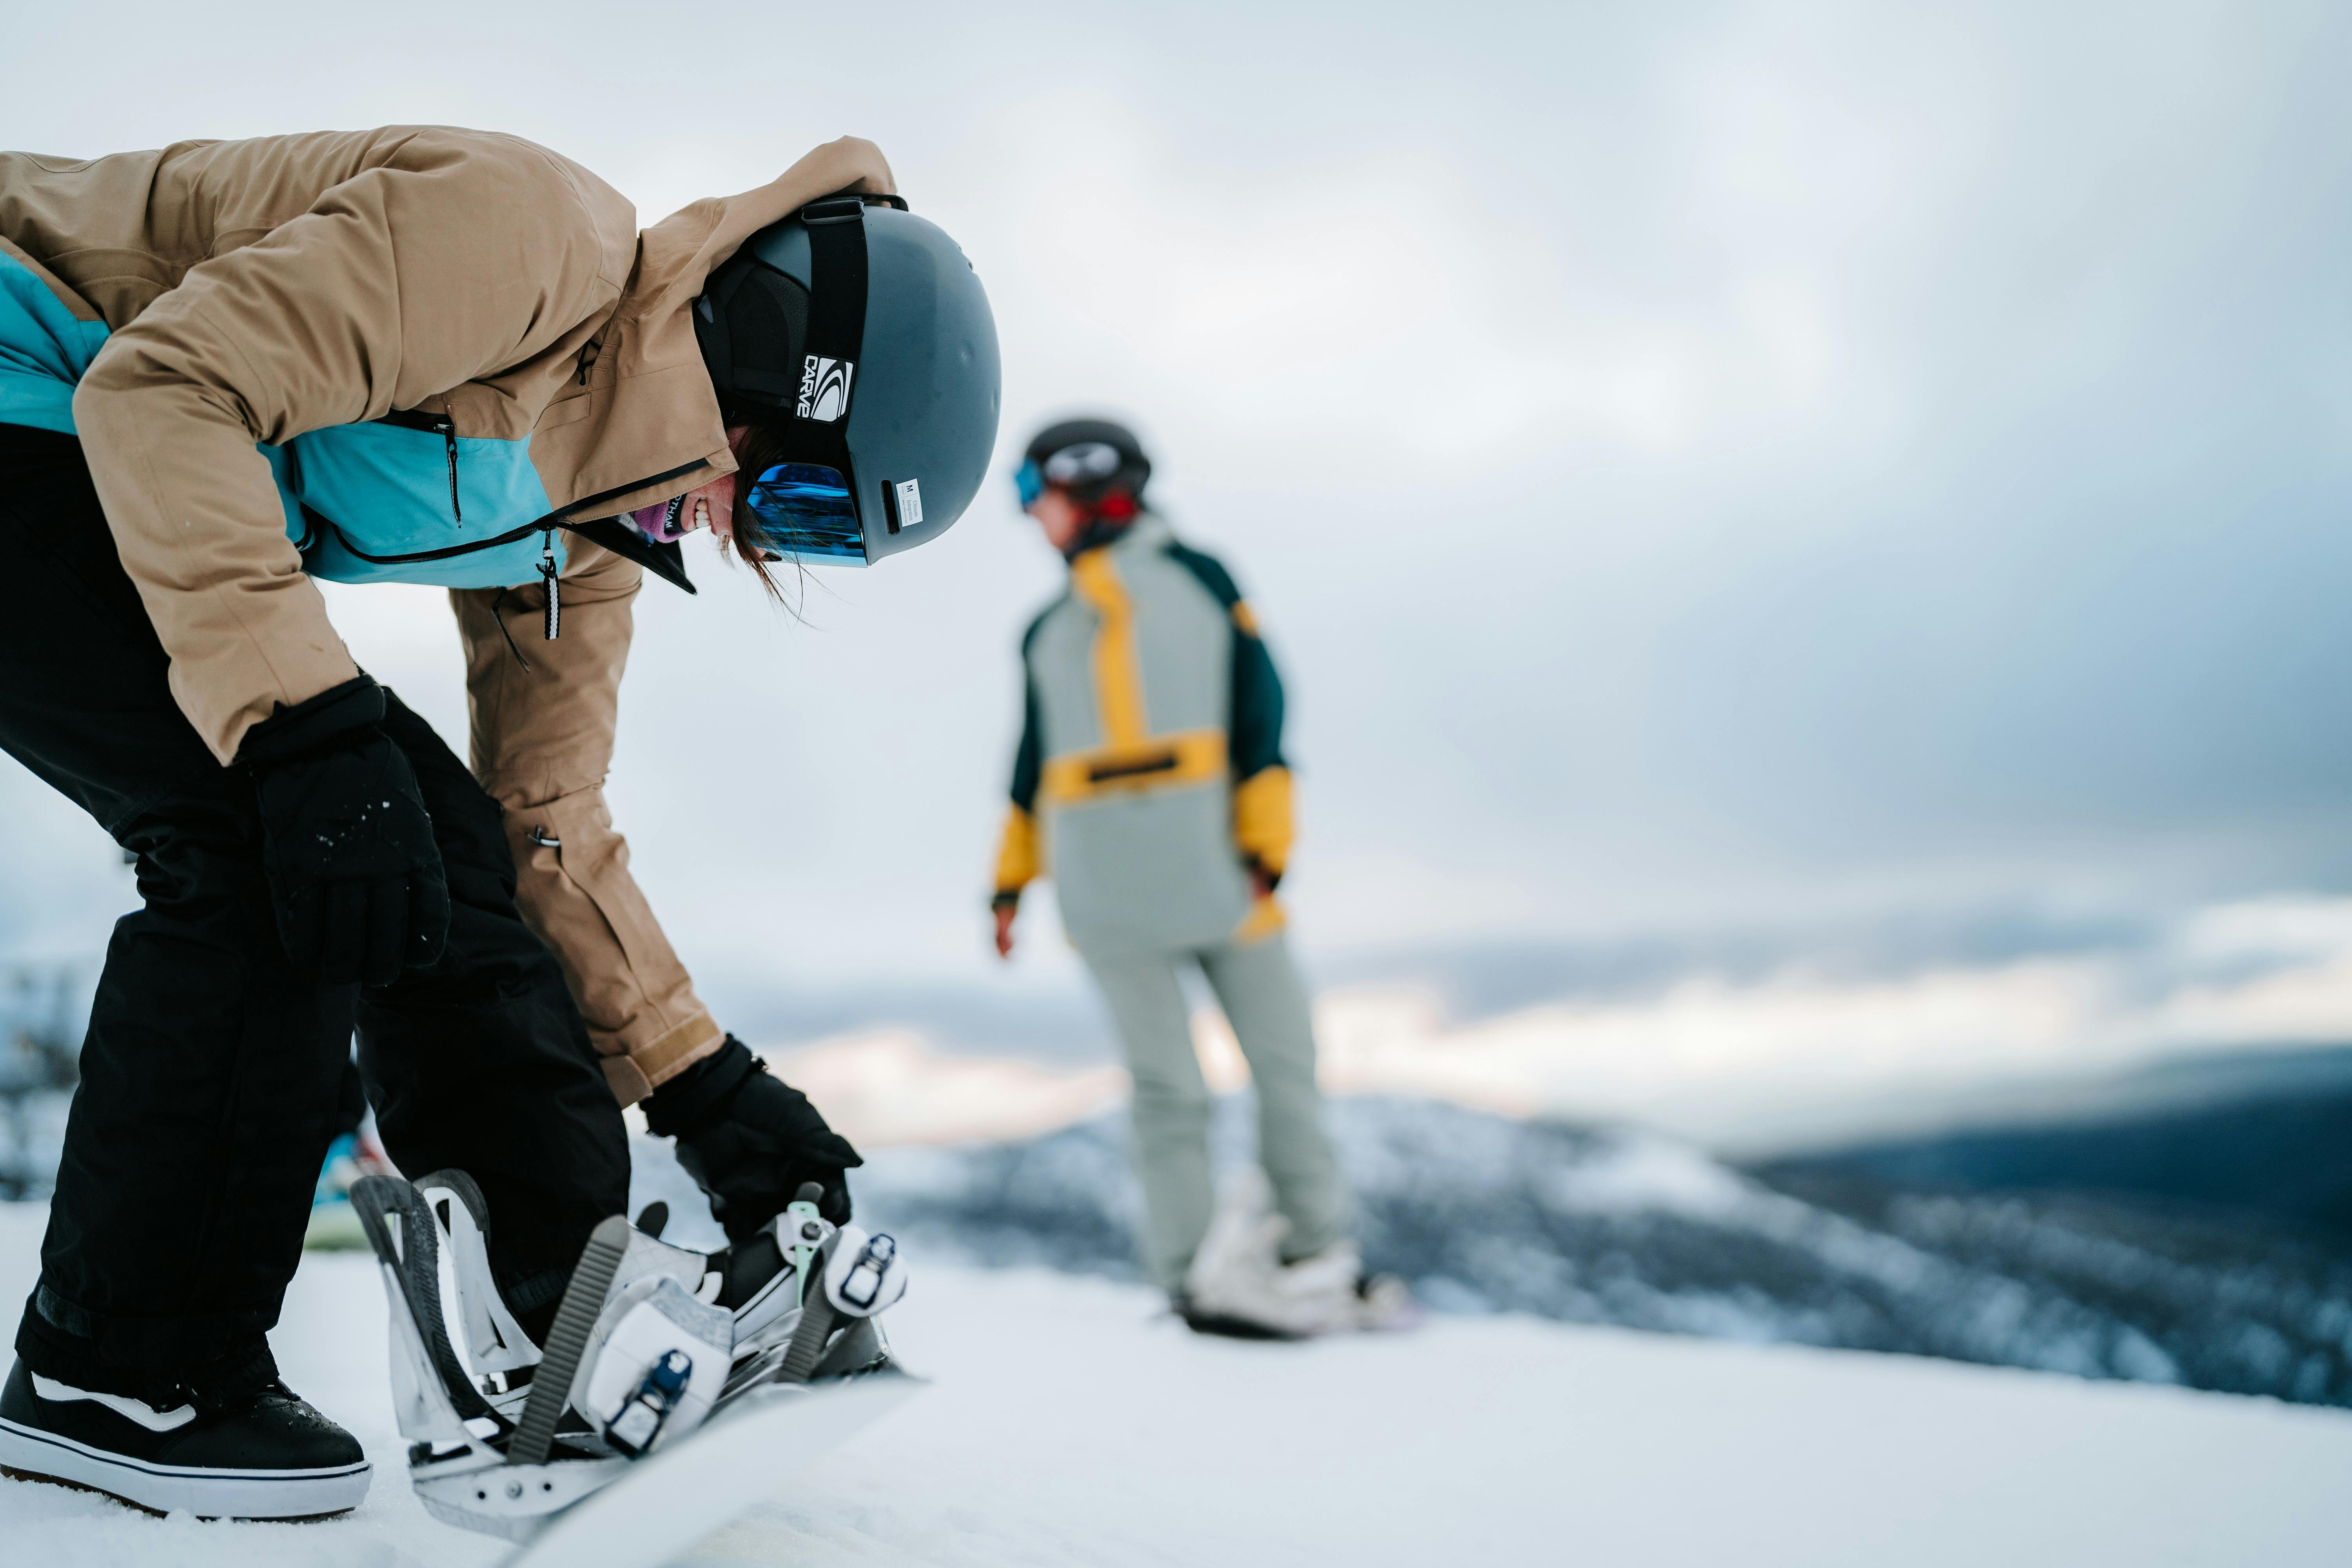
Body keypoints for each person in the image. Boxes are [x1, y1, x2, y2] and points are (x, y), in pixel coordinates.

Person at [0, 125, 998, 1517]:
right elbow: (162, 385)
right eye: (802, 496)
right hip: (40, 380)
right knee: (276, 831)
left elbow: (543, 824)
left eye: (824, 539)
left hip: (75, 440)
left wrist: (701, 1082)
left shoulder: (592, 535)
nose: (755, 533)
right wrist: (297, 731)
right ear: (774, 362)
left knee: (426, 846)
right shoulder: (533, 243)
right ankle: (121, 1371)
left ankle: (560, 1318)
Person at [989, 418, 1408, 1338]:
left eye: (1035, 497)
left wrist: (1266, 849)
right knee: (1167, 1087)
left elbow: (1261, 711)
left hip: (1219, 872)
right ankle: (1191, 1280)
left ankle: (1315, 1256)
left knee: (1284, 1064)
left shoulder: (1201, 580)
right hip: (1109, 887)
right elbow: (1031, 763)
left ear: (1092, 487)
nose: (1032, 519)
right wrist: (1010, 884)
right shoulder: (1047, 631)